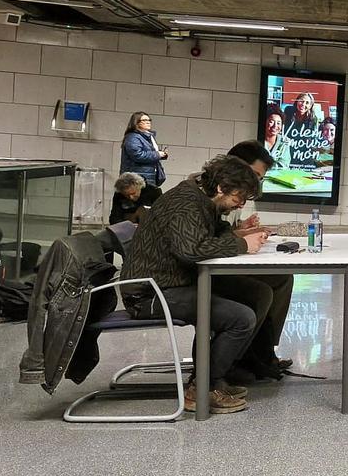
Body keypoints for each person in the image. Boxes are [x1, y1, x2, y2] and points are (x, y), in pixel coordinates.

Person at [120, 155, 270, 415]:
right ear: (221, 187)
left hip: (175, 281)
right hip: (151, 293)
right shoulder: (185, 203)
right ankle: (202, 387)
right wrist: (243, 244)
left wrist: (238, 233)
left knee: (258, 293)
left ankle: (216, 373)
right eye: (238, 197)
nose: (240, 204)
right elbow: (192, 250)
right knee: (241, 318)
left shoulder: (201, 198)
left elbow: (212, 230)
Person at [223, 140, 295, 382]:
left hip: (214, 261)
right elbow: (200, 242)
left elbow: (216, 233)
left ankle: (263, 353)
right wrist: (243, 241)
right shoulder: (209, 191)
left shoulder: (232, 191)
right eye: (253, 174)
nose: (255, 183)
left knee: (281, 278)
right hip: (189, 277)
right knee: (261, 291)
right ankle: (237, 359)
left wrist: (242, 230)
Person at [120, 112, 167, 187]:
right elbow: (138, 155)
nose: (148, 122)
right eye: (144, 120)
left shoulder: (147, 136)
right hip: (137, 179)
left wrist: (161, 154)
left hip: (146, 176)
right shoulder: (133, 137)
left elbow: (147, 152)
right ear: (136, 122)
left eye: (149, 120)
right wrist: (157, 154)